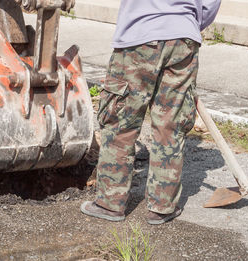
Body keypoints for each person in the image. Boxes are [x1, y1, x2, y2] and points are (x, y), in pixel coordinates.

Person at [81, 0, 222, 225]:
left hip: (139, 34)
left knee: (121, 120)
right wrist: (183, 23)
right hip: (183, 39)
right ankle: (162, 206)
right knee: (171, 123)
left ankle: (110, 202)